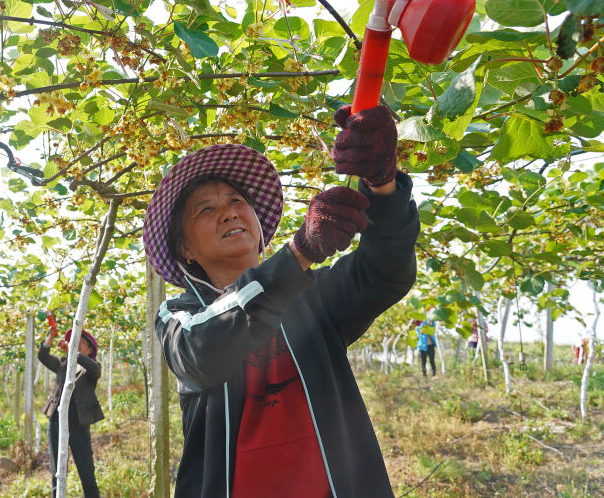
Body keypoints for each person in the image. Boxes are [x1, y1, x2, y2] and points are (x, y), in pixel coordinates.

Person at [145, 105, 419, 497]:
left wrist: (382, 186)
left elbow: (385, 272)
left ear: (257, 224)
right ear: (185, 249)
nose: (229, 214)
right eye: (206, 209)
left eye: (237, 200)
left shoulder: (313, 296)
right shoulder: (178, 315)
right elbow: (199, 353)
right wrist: (300, 251)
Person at [38, 323, 104, 498]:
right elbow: (43, 356)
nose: (77, 344)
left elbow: (95, 370)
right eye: (75, 341)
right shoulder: (63, 363)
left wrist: (74, 353)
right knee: (57, 470)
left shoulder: (91, 368)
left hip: (79, 424)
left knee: (86, 471)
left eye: (81, 342)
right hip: (56, 421)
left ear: (90, 349)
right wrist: (49, 339)